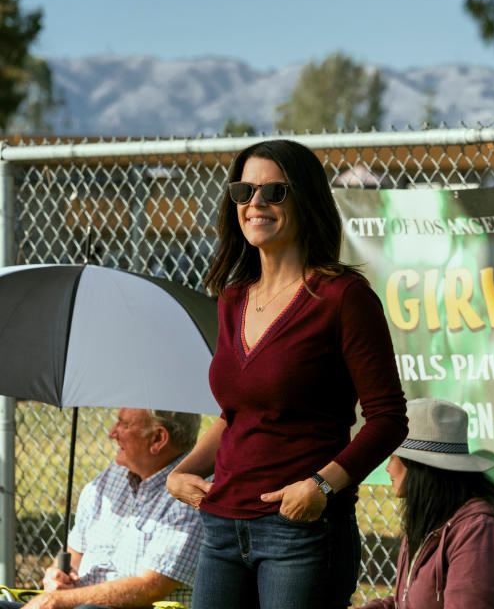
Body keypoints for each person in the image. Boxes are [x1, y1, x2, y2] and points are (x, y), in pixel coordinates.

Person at [166, 139, 408, 609]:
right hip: (221, 526)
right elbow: (235, 414)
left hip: (300, 531)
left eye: (274, 192)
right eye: (243, 191)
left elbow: (388, 418)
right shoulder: (233, 298)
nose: (255, 203)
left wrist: (321, 486)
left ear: (306, 200)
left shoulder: (343, 297)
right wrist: (184, 471)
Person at [0, 408, 202, 609]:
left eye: (124, 424)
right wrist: (57, 575)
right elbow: (75, 555)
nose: (112, 433)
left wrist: (54, 601)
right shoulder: (112, 476)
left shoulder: (190, 496)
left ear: (158, 438)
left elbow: (149, 587)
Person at [358, 398, 494, 609]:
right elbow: (410, 603)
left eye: (394, 456)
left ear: (418, 467)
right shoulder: (428, 521)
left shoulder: (479, 530)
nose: (388, 468)